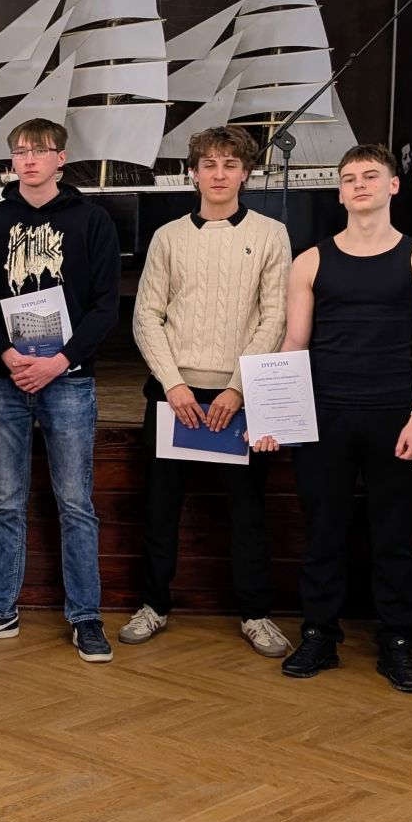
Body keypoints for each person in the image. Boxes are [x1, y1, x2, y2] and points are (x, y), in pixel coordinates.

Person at [258, 144, 412, 693]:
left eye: (370, 175)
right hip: (323, 416)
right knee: (323, 533)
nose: (359, 185)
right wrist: (275, 413)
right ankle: (319, 635)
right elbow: (294, 343)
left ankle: (397, 642)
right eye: (349, 178)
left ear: (393, 185)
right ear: (340, 192)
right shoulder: (310, 261)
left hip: (394, 415)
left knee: (393, 537)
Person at [123, 125, 292, 657]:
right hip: (174, 395)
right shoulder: (168, 237)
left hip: (237, 398)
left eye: (230, 164)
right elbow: (146, 315)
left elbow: (275, 317)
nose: (219, 174)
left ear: (246, 173)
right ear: (193, 173)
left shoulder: (271, 234)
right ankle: (153, 605)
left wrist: (239, 389)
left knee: (247, 514)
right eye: (209, 164)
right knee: (160, 509)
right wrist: (173, 384)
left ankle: (255, 614)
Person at [0, 118, 120, 662]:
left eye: (40, 150)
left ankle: (86, 616)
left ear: (61, 158)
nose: (29, 159)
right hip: (4, 379)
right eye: (20, 151)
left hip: (67, 380)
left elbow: (105, 306)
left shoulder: (92, 221)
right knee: (5, 502)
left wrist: (59, 362)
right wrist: (5, 355)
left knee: (75, 503)